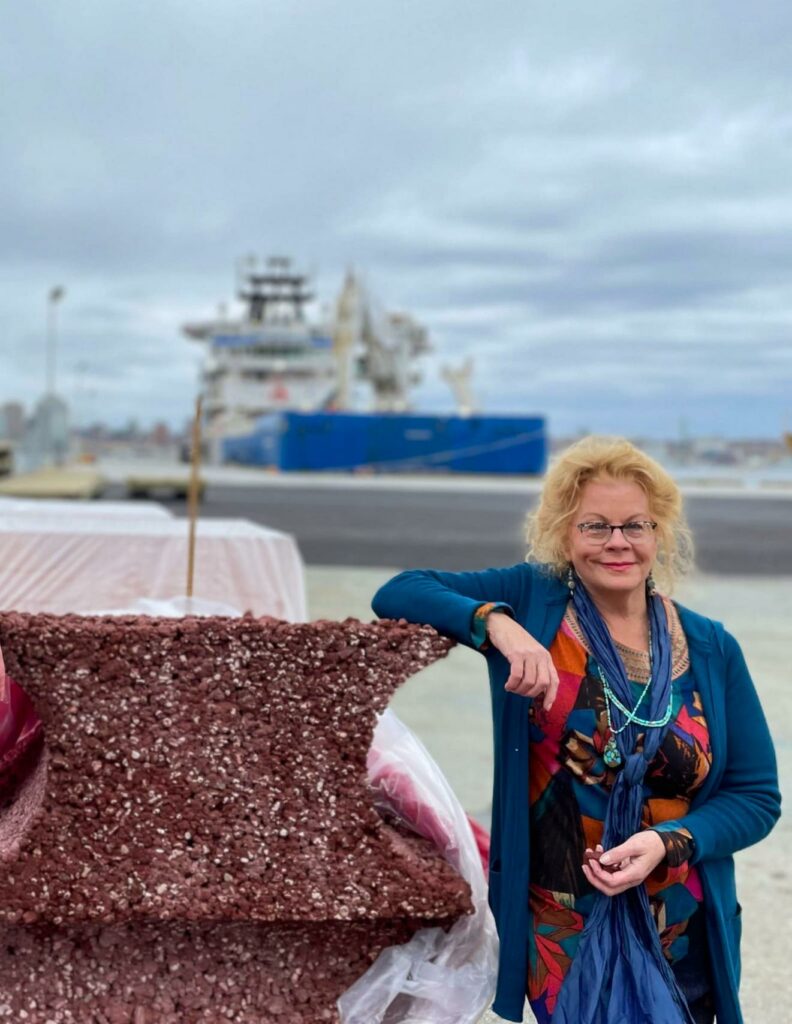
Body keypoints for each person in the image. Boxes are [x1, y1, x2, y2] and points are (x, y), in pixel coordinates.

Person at [371, 436, 780, 1024]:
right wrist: (498, 627)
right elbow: (399, 592)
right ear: (565, 534)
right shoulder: (532, 601)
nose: (617, 542)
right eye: (595, 526)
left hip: (681, 918)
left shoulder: (711, 645)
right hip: (562, 930)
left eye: (635, 525)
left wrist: (669, 842)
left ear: (658, 533)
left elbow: (756, 797)